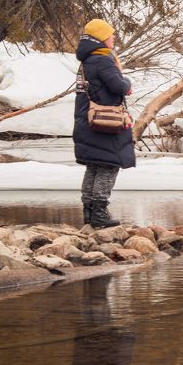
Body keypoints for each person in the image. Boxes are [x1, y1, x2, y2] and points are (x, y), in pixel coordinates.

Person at [73, 18, 135, 228]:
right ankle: (100, 213)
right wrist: (127, 83)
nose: (114, 37)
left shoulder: (87, 60)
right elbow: (117, 86)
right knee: (109, 165)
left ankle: (89, 211)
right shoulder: (102, 59)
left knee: (94, 166)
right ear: (101, 37)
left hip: (87, 120)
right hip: (105, 123)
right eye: (111, 34)